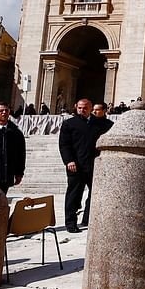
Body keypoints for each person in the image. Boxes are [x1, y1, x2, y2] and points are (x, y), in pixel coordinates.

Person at [58, 98, 102, 232]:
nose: (82, 110)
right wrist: (69, 160)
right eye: (80, 108)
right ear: (76, 107)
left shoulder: (98, 124)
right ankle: (71, 223)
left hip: (93, 165)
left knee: (96, 193)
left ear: (90, 108)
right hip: (75, 166)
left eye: (85, 108)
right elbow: (64, 145)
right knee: (74, 195)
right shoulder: (69, 124)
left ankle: (89, 218)